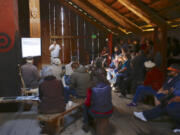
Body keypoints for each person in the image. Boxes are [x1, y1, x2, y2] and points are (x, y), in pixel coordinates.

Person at [133, 64, 180, 134]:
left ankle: (145, 115)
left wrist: (169, 100)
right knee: (164, 104)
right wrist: (161, 92)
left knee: (169, 106)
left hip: (174, 97)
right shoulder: (171, 78)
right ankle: (145, 115)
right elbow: (167, 86)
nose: (169, 71)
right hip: (172, 96)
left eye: (171, 70)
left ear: (176, 71)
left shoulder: (178, 79)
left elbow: (176, 94)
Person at [82, 62, 113, 132]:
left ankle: (86, 123)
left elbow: (87, 103)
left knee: (85, 106)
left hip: (97, 112)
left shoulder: (91, 87)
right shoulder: (108, 85)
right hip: (110, 110)